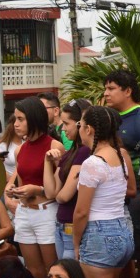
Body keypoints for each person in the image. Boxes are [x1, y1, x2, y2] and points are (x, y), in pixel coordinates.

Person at [73, 105, 135, 278]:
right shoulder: (121, 155)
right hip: (123, 231)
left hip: (100, 235)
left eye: (79, 124)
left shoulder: (93, 163)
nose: (78, 128)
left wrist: (76, 243)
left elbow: (81, 211)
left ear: (89, 129)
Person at [104, 68, 140, 278]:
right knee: (124, 256)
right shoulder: (107, 117)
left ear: (127, 90)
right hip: (114, 198)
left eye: (111, 88)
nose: (106, 93)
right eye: (106, 88)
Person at [6, 97, 64, 278]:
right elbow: (24, 181)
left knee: (53, 271)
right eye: (15, 119)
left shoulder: (54, 147)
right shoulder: (20, 149)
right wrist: (17, 191)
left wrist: (36, 189)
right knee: (34, 272)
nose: (16, 124)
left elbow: (59, 190)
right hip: (24, 212)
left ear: (34, 118)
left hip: (46, 211)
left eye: (21, 119)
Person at [42, 98, 92, 260]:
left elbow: (63, 196)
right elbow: (51, 192)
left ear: (81, 124)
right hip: (61, 225)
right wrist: (47, 162)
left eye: (66, 123)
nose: (63, 129)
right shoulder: (71, 153)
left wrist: (58, 193)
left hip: (72, 226)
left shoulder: (84, 152)